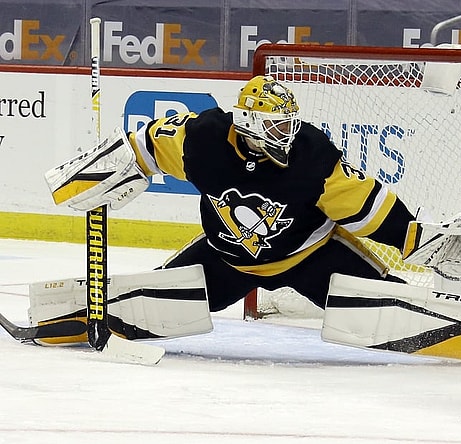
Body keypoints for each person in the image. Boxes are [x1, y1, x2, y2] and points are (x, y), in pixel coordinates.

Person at [36, 75, 415, 335]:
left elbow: (368, 207)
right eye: (276, 126)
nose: (287, 134)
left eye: (288, 124)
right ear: (248, 121)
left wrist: (416, 238)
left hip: (313, 257)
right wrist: (91, 177)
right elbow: (145, 145)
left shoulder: (311, 156)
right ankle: (66, 318)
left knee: (384, 310)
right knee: (150, 301)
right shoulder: (203, 139)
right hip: (226, 260)